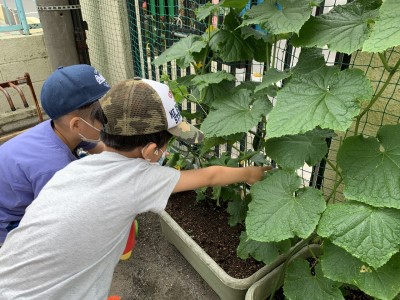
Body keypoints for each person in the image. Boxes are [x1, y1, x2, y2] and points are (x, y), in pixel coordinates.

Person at [0, 78, 270, 299]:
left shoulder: (74, 167)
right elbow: (210, 176)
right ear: (152, 150)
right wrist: (250, 173)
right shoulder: (141, 179)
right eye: (168, 142)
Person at [0, 64, 110, 246]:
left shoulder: (59, 129)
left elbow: (102, 148)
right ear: (76, 125)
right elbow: (58, 217)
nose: (105, 121)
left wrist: (134, 156)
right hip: (9, 220)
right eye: (101, 115)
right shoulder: (53, 168)